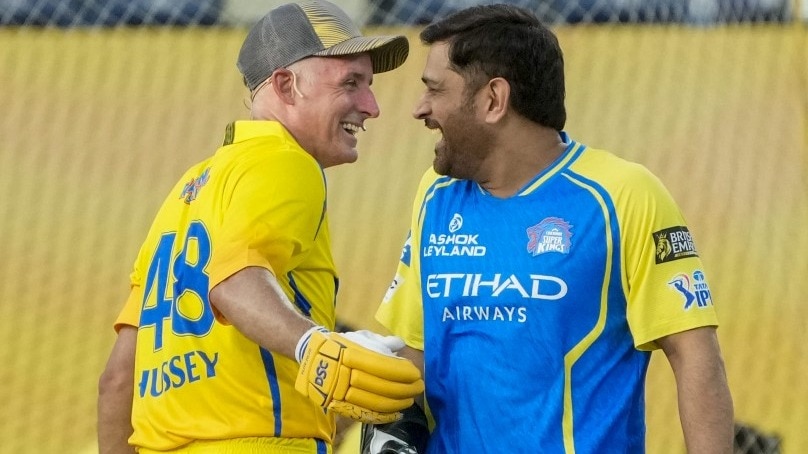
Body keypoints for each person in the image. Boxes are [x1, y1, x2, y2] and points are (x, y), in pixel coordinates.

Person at [362, 4, 734, 454]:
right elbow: (416, 350)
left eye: (435, 90)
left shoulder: (622, 195)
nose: (420, 108)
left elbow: (694, 353)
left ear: (493, 100)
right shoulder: (435, 194)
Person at [96, 1, 425, 453]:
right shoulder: (287, 162)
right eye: (351, 83)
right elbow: (232, 282)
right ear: (287, 85)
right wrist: (313, 346)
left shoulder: (188, 191)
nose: (371, 106)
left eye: (369, 85)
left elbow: (117, 381)